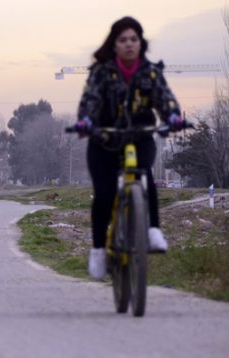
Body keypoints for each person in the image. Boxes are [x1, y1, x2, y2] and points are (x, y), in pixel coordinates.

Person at [75, 16, 185, 279]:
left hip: (140, 136)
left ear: (140, 43)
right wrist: (86, 121)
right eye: (122, 40)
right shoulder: (101, 72)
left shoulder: (150, 72)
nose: (128, 44)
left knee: (145, 173)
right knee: (104, 193)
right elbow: (90, 99)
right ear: (114, 44)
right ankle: (99, 250)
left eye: (133, 39)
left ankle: (153, 230)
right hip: (105, 140)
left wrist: (173, 117)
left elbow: (165, 98)